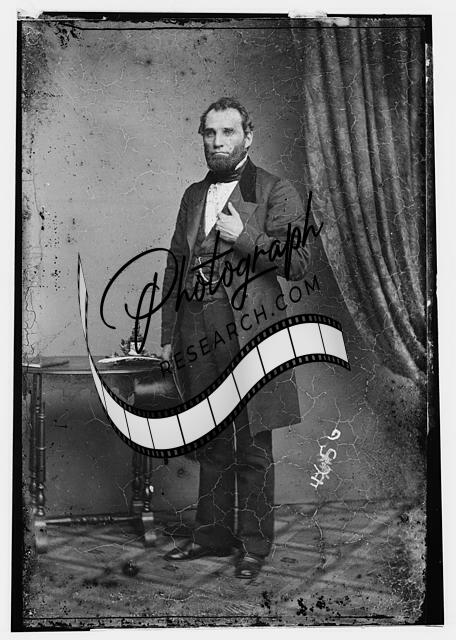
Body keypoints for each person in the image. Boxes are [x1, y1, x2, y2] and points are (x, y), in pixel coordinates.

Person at [159, 97, 310, 579]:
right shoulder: (192, 194)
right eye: (210, 133)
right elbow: (175, 263)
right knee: (212, 440)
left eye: (228, 132)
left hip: (251, 334)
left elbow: (299, 263)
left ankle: (254, 546)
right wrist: (168, 335)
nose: (218, 141)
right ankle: (212, 537)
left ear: (249, 136)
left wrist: (244, 234)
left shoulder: (276, 189)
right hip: (196, 330)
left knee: (253, 445)